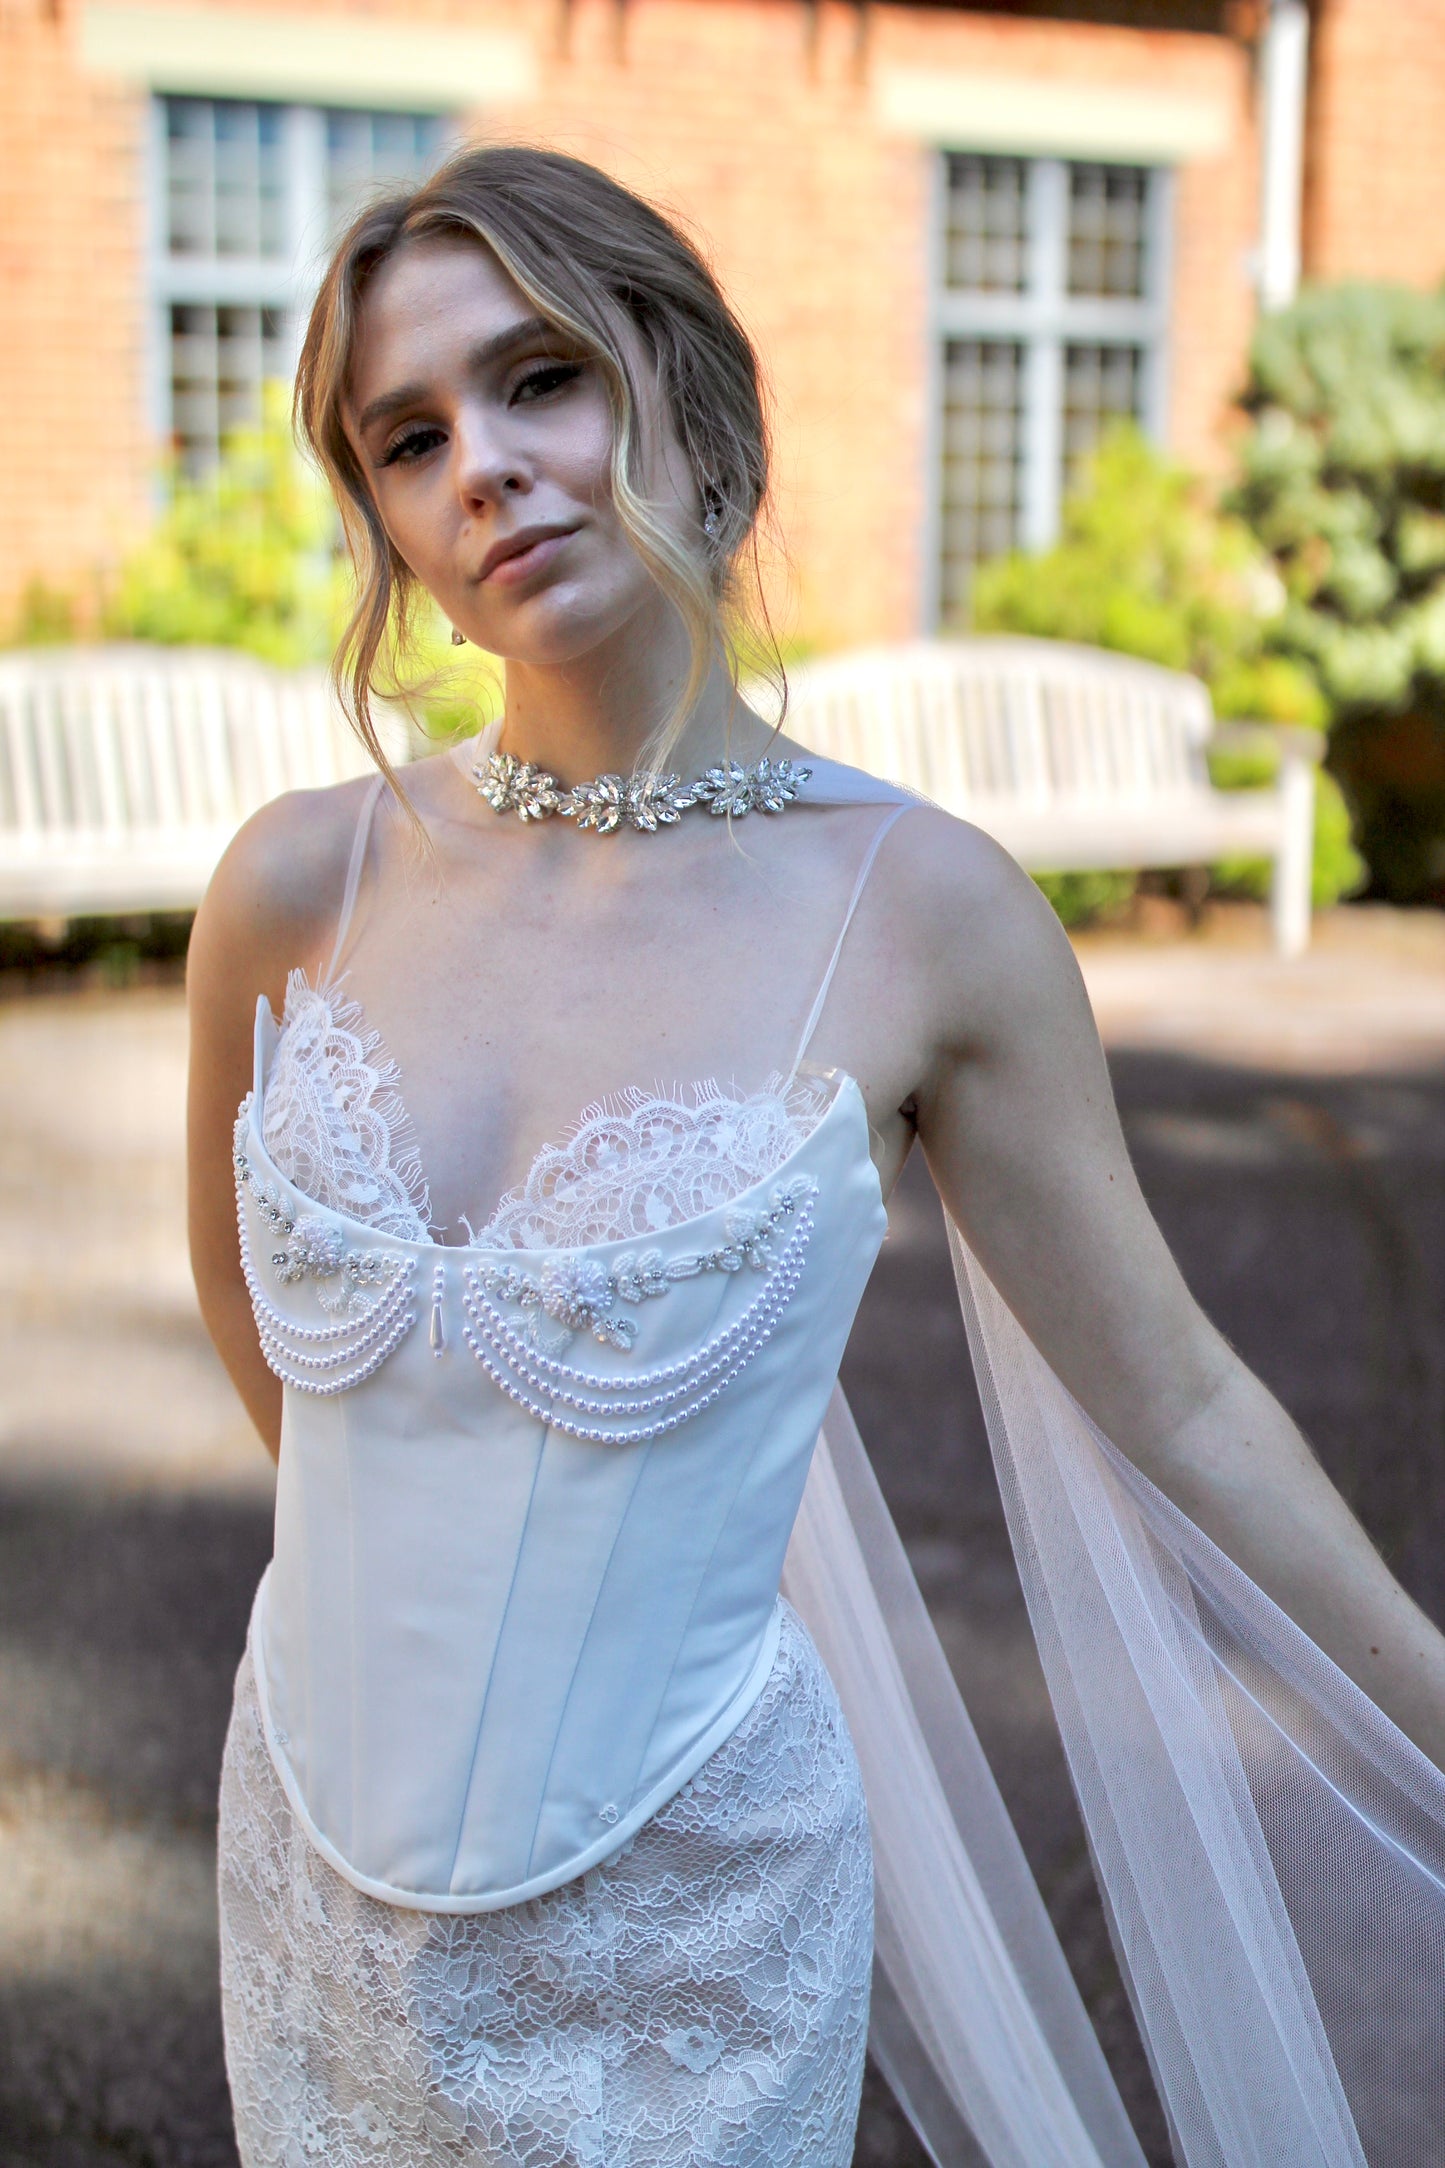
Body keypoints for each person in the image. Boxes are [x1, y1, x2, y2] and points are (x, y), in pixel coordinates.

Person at [187, 146, 1445, 2168]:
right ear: (389, 525)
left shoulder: (923, 915)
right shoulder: (293, 885)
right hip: (317, 1872)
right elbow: (278, 1360)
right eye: (408, 438)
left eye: (539, 377)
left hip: (690, 1911)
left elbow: (1183, 1404)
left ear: (690, 396)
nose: (482, 465)